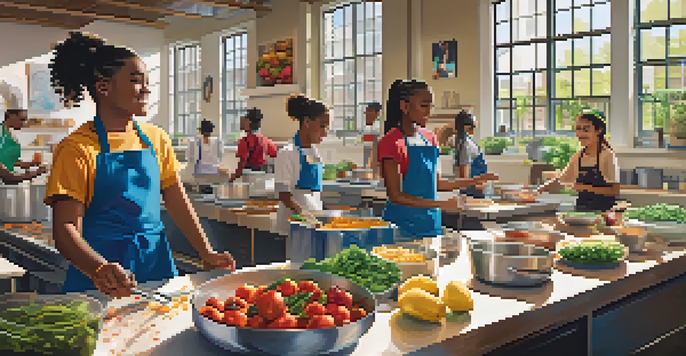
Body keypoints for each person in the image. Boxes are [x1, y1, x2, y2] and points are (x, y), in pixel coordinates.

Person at [44, 31, 234, 298]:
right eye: (136, 81)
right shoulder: (77, 148)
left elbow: (177, 199)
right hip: (99, 273)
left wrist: (206, 252)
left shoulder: (156, 139)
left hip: (156, 266)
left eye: (147, 82)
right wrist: (99, 269)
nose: (146, 89)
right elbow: (65, 228)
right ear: (103, 87)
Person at [378, 80, 498, 238]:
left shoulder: (430, 138)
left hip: (431, 225)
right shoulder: (391, 142)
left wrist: (475, 180)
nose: (429, 111)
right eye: (423, 105)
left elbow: (437, 183)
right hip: (401, 228)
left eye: (431, 106)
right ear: (404, 106)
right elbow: (396, 195)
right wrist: (441, 204)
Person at [536, 111, 620, 212]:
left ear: (599, 131)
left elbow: (614, 191)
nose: (580, 134)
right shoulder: (578, 156)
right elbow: (561, 180)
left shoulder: (607, 156)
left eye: (586, 130)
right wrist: (538, 190)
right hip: (582, 211)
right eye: (578, 129)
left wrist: (584, 187)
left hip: (604, 213)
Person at [274, 94, 329, 236]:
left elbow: (313, 193)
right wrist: (304, 215)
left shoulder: (314, 153)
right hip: (292, 226)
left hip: (313, 222)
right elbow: (283, 194)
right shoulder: (287, 153)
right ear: (306, 122)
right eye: (322, 126)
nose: (325, 133)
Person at [440, 111, 488, 198]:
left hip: (475, 188)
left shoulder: (463, 140)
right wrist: (477, 184)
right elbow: (463, 176)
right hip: (472, 192)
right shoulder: (465, 144)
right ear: (468, 126)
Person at [229, 107, 277, 182]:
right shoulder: (265, 140)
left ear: (248, 122)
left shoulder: (244, 141)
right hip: (262, 176)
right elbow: (274, 154)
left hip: (249, 177)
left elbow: (242, 162)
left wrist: (234, 176)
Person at [0, 107, 47, 184]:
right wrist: (35, 173)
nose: (23, 123)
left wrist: (26, 164)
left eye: (25, 120)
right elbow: (7, 175)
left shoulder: (10, 135)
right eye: (21, 119)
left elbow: (7, 158)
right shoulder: (1, 134)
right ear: (10, 115)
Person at [362, 102, 382, 175]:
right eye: (366, 112)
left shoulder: (377, 129)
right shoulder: (369, 129)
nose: (366, 115)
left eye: (369, 111)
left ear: (378, 113)